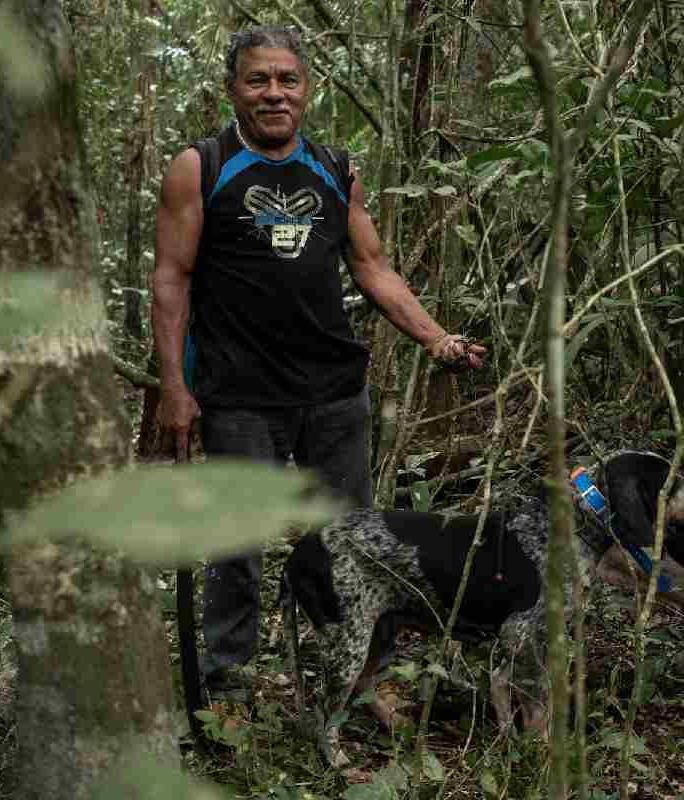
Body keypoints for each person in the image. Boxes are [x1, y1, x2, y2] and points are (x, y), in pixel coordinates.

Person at [151, 25, 485, 699]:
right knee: (236, 547)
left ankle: (366, 679)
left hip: (334, 394)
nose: (274, 94)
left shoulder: (335, 169)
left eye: (287, 80)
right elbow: (170, 278)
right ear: (233, 90)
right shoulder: (202, 165)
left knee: (355, 542)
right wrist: (173, 387)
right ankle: (229, 692)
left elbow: (372, 267)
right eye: (258, 80)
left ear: (307, 90)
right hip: (239, 395)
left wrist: (435, 338)